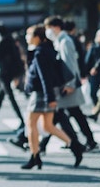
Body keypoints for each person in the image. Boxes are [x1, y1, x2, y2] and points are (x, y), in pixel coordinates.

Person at [21, 24, 84, 169]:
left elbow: (44, 77)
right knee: (47, 126)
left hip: (42, 93)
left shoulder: (39, 53)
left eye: (29, 35)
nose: (27, 38)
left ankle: (35, 156)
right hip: (49, 91)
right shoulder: (47, 49)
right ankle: (75, 146)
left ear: (37, 37)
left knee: (31, 124)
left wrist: (50, 98)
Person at [41, 16, 96, 152]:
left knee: (60, 115)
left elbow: (70, 64)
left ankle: (45, 145)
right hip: (65, 85)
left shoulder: (65, 42)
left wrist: (71, 84)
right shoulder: (60, 41)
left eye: (49, 28)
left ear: (56, 27)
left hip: (67, 85)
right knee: (72, 114)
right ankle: (85, 141)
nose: (48, 31)